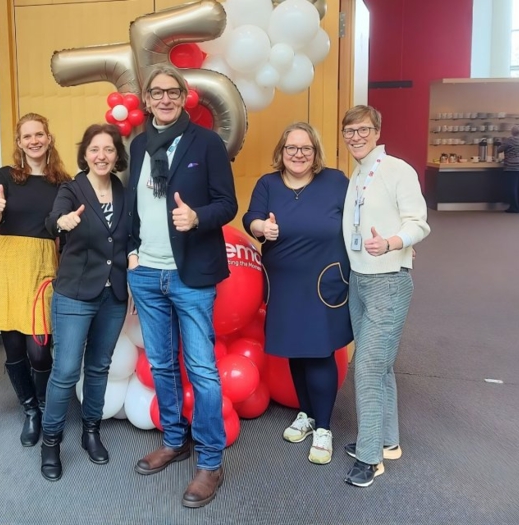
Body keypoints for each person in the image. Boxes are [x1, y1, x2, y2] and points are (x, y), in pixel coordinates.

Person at [127, 65, 237, 508]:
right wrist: (132, 252)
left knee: (202, 370)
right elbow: (131, 205)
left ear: (185, 96)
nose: (166, 99)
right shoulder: (137, 147)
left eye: (173, 92)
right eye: (158, 93)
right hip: (147, 273)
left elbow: (227, 204)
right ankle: (175, 440)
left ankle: (210, 462)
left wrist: (197, 218)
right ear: (147, 99)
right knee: (161, 363)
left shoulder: (206, 142)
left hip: (191, 274)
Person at [242, 122, 353, 466]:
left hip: (324, 281)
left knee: (319, 352)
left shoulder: (335, 182)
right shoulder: (268, 184)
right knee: (295, 351)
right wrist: (261, 227)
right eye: (292, 148)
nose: (298, 154)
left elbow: (362, 218)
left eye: (306, 148)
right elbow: (251, 218)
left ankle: (323, 428)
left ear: (315, 152)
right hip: (285, 282)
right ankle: (306, 414)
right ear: (281, 151)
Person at [340, 105, 430, 487]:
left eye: (362, 129)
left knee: (367, 367)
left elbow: (419, 224)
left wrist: (393, 242)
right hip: (360, 280)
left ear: (377, 130)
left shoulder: (397, 170)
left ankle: (371, 457)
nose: (355, 136)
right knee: (381, 366)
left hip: (388, 280)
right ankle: (388, 442)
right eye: (349, 131)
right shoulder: (358, 174)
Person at [38, 124, 130, 482]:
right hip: (75, 294)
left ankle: (91, 431)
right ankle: (51, 443)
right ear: (85, 154)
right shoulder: (71, 188)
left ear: (116, 155)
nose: (102, 155)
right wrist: (62, 221)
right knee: (64, 373)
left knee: (99, 368)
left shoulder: (122, 191)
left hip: (113, 295)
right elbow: (53, 221)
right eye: (95, 149)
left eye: (108, 149)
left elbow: (128, 237)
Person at [0, 113, 71, 447]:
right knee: (14, 346)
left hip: (43, 263)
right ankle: (31, 410)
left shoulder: (63, 181)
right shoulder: (6, 175)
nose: (33, 141)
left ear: (49, 138)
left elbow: (65, 227)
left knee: (39, 349)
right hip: (6, 262)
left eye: (39, 134)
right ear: (19, 143)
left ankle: (46, 405)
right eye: (26, 136)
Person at [498, 125, 519, 213]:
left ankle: (514, 207)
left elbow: (499, 150)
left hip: (513, 166)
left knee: (512, 187)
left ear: (512, 132)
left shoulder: (509, 140)